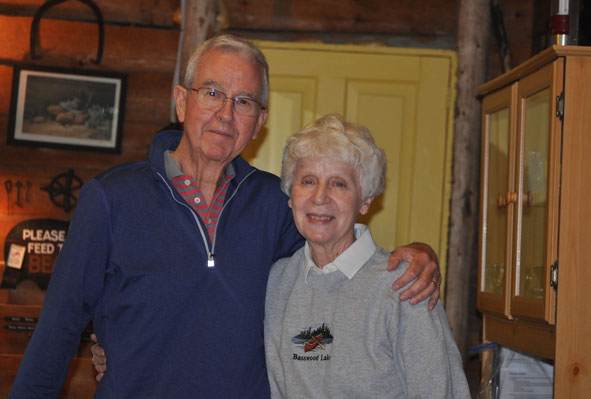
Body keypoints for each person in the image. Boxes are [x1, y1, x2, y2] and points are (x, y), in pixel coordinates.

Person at [10, 35, 441, 398]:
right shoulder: (111, 198)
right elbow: (58, 328)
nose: (225, 114)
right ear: (182, 101)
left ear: (260, 122)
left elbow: (338, 264)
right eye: (212, 93)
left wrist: (418, 254)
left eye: (244, 101)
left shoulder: (279, 203)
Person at [265, 114, 469, 398]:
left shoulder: (405, 286)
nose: (320, 197)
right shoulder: (276, 282)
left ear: (366, 200)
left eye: (339, 184)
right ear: (290, 195)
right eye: (308, 181)